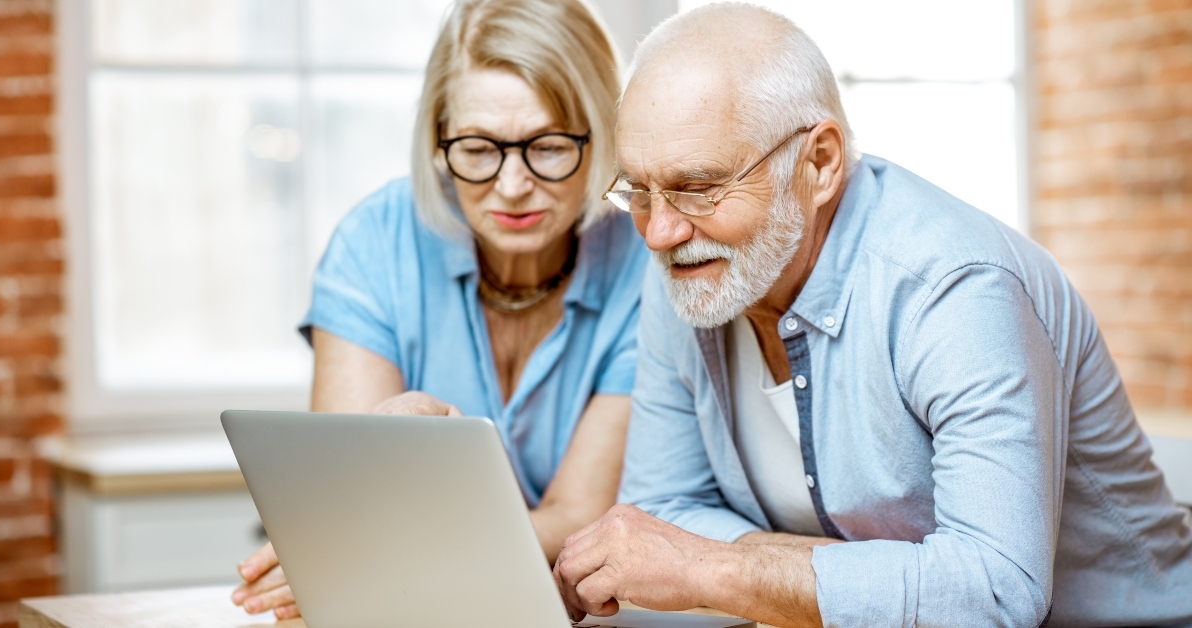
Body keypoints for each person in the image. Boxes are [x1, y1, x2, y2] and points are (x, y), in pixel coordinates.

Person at [553, 4, 1192, 627]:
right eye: (639, 191)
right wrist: (853, 579)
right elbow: (666, 508)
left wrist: (717, 569)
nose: (659, 232)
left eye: (698, 188)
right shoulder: (692, 264)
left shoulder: (956, 286)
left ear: (820, 163)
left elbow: (996, 591)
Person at [230, 0, 649, 619]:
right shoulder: (374, 243)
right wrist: (359, 541)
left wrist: (374, 554)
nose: (512, 186)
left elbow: (579, 520)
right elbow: (353, 506)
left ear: (603, 135)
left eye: (549, 145)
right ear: (437, 140)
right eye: (477, 149)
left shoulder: (643, 261)